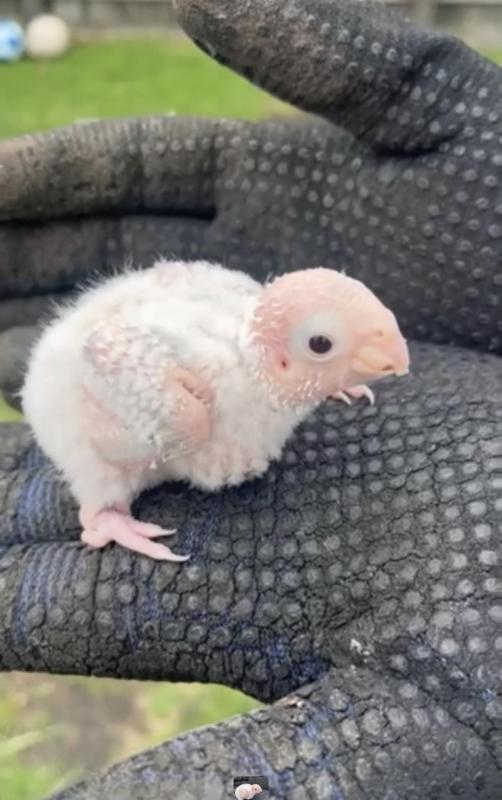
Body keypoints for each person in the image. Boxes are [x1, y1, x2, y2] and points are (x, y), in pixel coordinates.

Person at [0, 0, 501, 797]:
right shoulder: (192, 400)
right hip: (102, 392)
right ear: (278, 349)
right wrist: (105, 502)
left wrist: (330, 370)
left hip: (213, 341)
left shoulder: (253, 322)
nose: (390, 357)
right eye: (328, 348)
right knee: (150, 434)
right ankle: (104, 511)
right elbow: (95, 353)